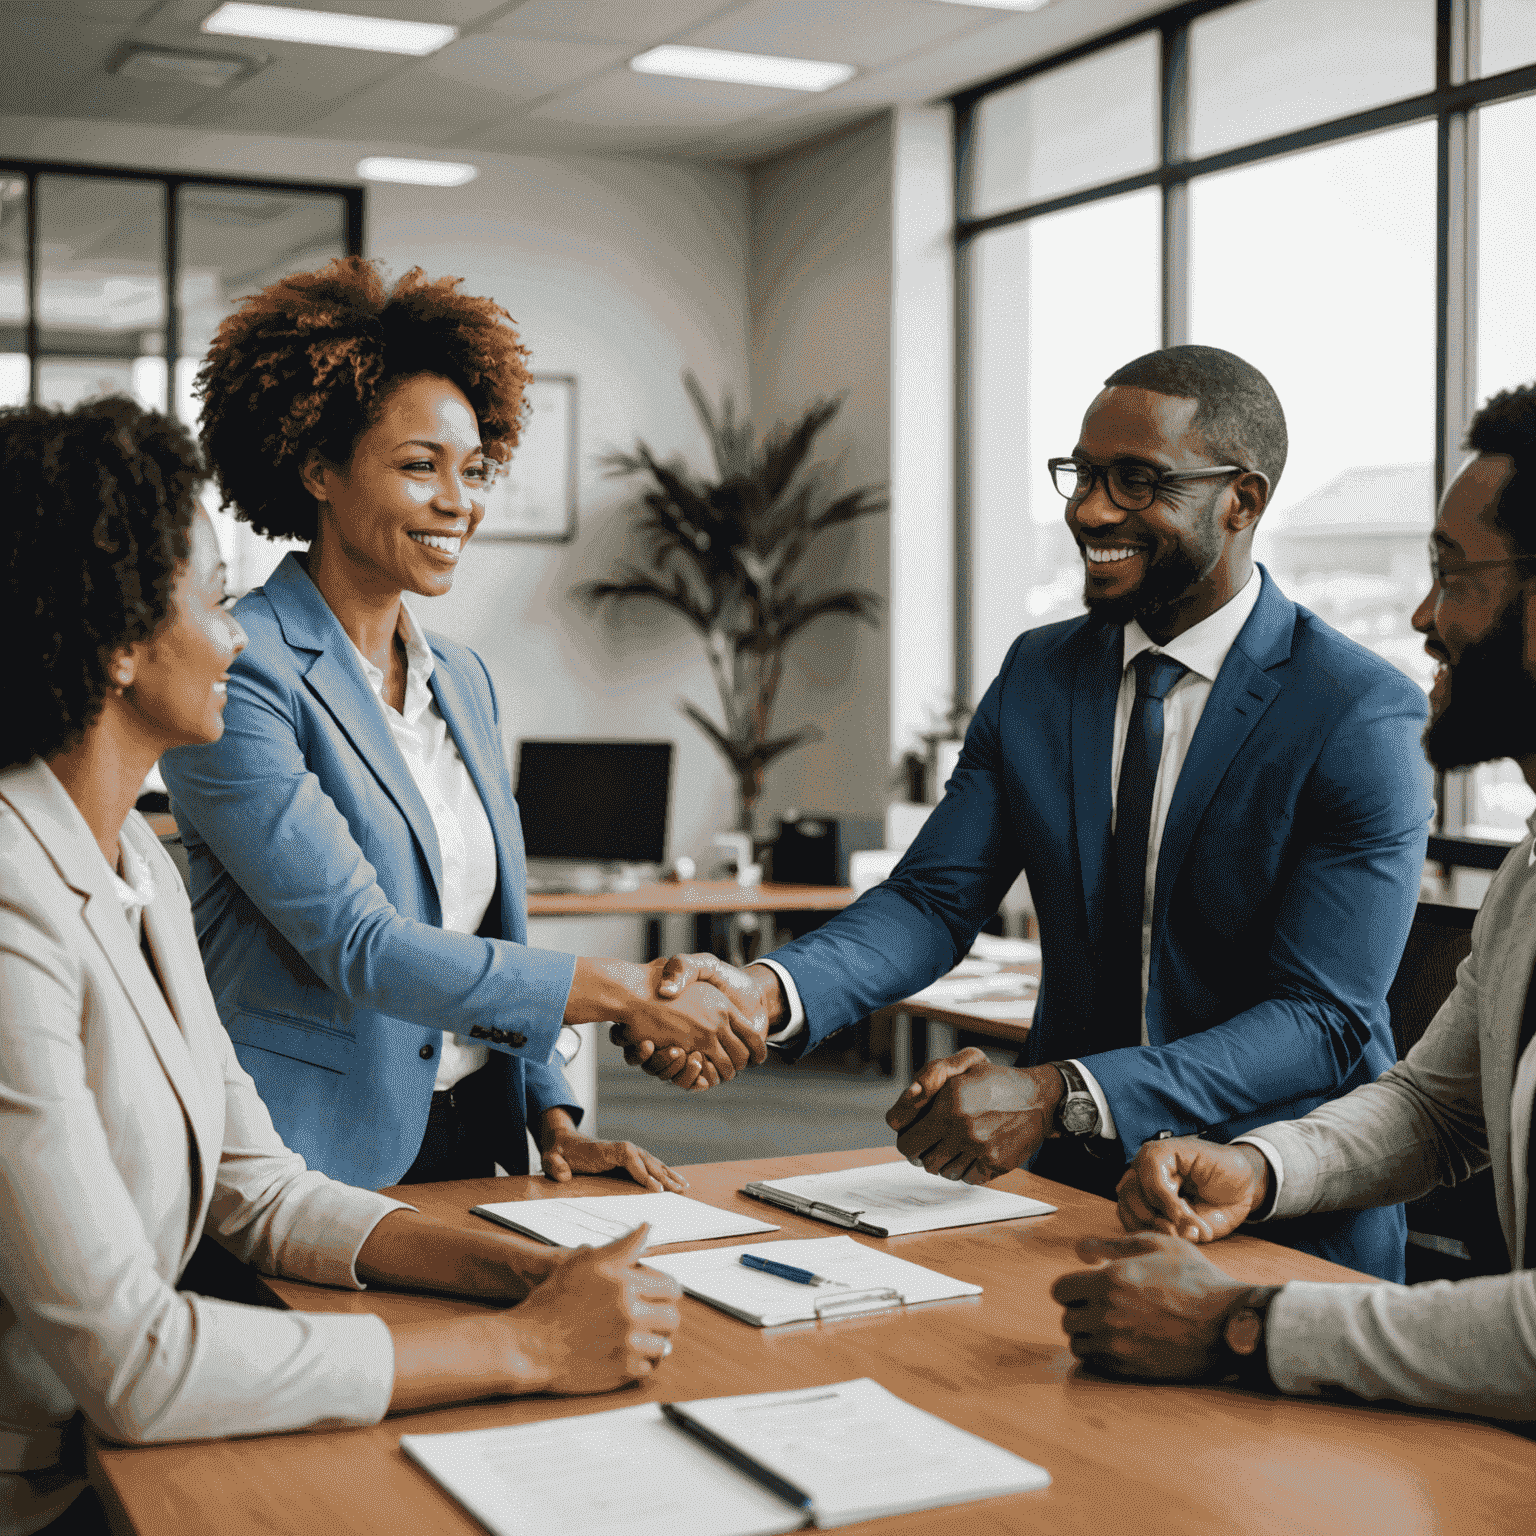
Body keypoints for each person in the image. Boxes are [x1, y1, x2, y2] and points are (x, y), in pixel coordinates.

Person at [0, 397, 682, 1536]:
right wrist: (526, 1345)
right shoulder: (13, 905)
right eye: (213, 600)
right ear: (117, 641)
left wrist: (516, 1275)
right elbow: (137, 1363)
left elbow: (258, 1190)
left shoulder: (130, 862)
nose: (233, 634)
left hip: (107, 1454)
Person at [636, 345, 1432, 1280]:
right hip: (1069, 1200)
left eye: (1137, 482)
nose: (1090, 511)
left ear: (1242, 501)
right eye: (1084, 475)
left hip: (1275, 1223)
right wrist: (761, 994)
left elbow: (1321, 1018)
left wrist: (1057, 1094)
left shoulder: (1356, 710)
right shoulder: (1040, 673)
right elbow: (934, 901)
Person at [159, 257, 765, 1193]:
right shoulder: (242, 673)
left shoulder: (465, 682)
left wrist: (555, 1119)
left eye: (474, 470)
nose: (460, 503)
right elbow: (360, 944)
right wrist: (631, 991)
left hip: (474, 1138)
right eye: (419, 467)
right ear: (316, 469)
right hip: (302, 1156)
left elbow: (493, 924)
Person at [1052, 384, 1536, 1418]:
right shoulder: (1531, 877)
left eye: (1451, 575)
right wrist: (1257, 1166)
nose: (1422, 619)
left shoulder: (1354, 709)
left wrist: (1242, 1325)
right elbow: (1435, 1109)